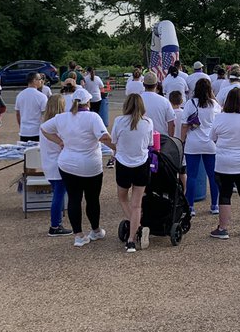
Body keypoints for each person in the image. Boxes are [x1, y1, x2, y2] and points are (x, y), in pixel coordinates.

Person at [41, 88, 112, 247]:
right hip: (91, 165)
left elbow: (44, 128)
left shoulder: (62, 117)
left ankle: (79, 235)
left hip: (68, 164)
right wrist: (117, 147)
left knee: (74, 198)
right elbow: (104, 137)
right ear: (88, 102)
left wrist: (59, 141)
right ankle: (95, 229)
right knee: (92, 199)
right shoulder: (93, 117)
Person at [210, 86, 240, 241]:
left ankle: (223, 228)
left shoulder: (220, 117)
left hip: (225, 162)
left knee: (225, 194)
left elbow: (212, 137)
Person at [110, 93, 154, 253]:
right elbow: (150, 143)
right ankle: (131, 239)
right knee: (137, 204)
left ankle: (137, 227)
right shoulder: (148, 122)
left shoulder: (119, 121)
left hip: (123, 163)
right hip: (141, 164)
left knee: (123, 198)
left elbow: (114, 141)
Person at [182, 78, 220, 219]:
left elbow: (184, 124)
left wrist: (182, 140)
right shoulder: (214, 105)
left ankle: (190, 206)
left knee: (191, 176)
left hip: (193, 143)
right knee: (213, 175)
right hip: (210, 143)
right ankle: (215, 204)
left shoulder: (190, 104)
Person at [38, 94, 72, 237]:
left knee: (57, 193)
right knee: (58, 195)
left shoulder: (45, 122)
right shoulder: (57, 124)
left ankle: (57, 221)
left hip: (48, 163)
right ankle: (55, 225)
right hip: (58, 163)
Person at [15, 73, 49, 143]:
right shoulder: (42, 96)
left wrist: (21, 126)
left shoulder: (20, 95)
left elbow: (18, 114)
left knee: (25, 152)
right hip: (37, 131)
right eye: (40, 79)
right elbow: (45, 115)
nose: (41, 81)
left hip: (24, 131)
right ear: (34, 80)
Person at [140, 73, 175, 137]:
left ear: (143, 84)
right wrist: (171, 138)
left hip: (142, 136)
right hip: (161, 137)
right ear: (156, 84)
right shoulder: (165, 101)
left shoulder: (137, 100)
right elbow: (171, 123)